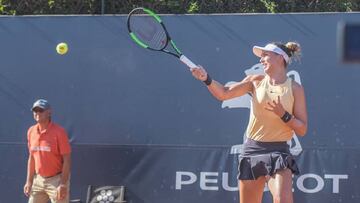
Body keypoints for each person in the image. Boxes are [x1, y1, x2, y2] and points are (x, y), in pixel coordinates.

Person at [191, 42, 308, 203]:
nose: (261, 60)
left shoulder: (295, 88)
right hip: (252, 150)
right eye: (261, 57)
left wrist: (284, 115)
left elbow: (302, 129)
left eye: (265, 55)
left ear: (280, 58)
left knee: (283, 199)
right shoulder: (255, 81)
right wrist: (206, 79)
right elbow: (224, 94)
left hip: (279, 151)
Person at [23, 99, 71, 203]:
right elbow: (31, 158)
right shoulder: (31, 131)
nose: (37, 113)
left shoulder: (59, 132)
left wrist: (63, 184)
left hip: (56, 180)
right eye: (35, 111)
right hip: (38, 180)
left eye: (41, 110)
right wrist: (29, 181)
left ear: (49, 112)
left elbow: (67, 160)